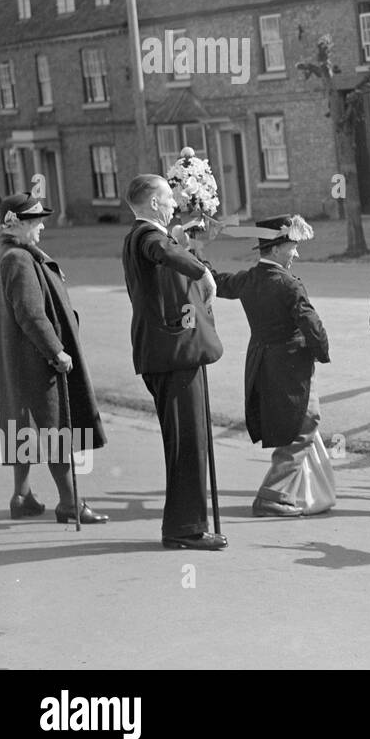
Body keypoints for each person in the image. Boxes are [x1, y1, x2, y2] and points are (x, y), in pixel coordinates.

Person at [121, 175, 226, 550]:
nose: (172, 205)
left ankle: (188, 524)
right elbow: (162, 252)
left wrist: (190, 247)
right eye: (167, 199)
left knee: (191, 440)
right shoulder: (147, 237)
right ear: (153, 204)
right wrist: (202, 271)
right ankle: (185, 528)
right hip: (172, 355)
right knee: (187, 443)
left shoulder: (154, 236)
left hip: (174, 352)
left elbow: (171, 255)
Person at [210, 215, 335, 517]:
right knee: (305, 424)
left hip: (262, 363)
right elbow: (313, 325)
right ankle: (271, 494)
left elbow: (216, 282)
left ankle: (292, 491)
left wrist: (194, 252)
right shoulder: (289, 284)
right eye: (293, 247)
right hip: (292, 366)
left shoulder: (249, 278)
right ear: (277, 249)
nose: (296, 253)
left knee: (290, 425)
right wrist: (320, 352)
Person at [0, 192, 108, 524]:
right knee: (56, 429)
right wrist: (56, 350)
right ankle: (70, 503)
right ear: (17, 225)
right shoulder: (18, 259)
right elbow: (31, 314)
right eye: (36, 221)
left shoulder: (14, 255)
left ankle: (22, 497)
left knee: (25, 428)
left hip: (22, 360)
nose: (42, 226)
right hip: (37, 361)